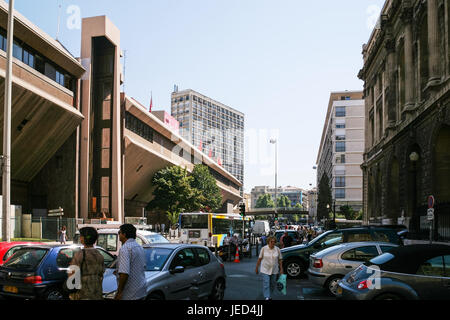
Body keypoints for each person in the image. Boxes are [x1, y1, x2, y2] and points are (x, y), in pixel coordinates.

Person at [69, 227, 105, 300]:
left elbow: (72, 275)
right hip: (96, 293)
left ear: (83, 239)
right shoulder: (99, 255)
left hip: (82, 293)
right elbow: (101, 274)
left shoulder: (79, 254)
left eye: (81, 236)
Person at [115, 224, 146, 300]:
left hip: (130, 293)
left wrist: (119, 292)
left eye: (119, 232)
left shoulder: (125, 248)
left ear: (124, 234)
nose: (118, 234)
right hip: (141, 290)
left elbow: (124, 273)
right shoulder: (139, 247)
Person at [255, 236, 283, 301]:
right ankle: (267, 297)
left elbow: (280, 260)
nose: (273, 243)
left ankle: (269, 295)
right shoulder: (263, 249)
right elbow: (259, 259)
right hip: (265, 269)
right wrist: (257, 268)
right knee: (266, 283)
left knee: (273, 283)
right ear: (268, 242)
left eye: (274, 242)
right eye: (271, 242)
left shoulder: (277, 249)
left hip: (274, 269)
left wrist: (281, 269)